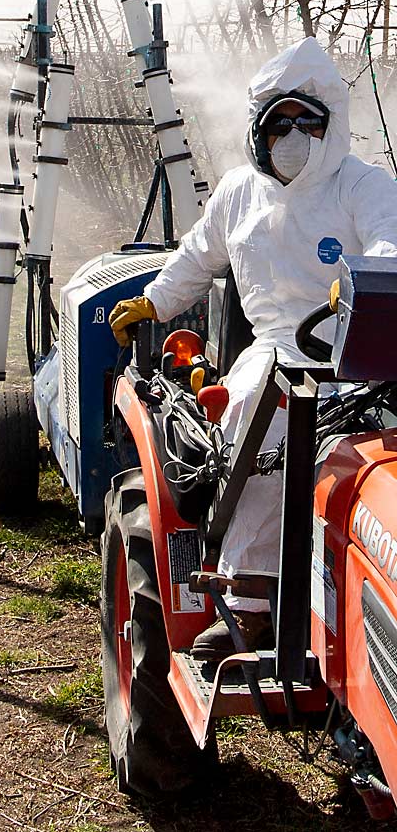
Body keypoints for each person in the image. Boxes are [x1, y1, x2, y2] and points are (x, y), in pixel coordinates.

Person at [108, 38, 397, 661]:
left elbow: (390, 253)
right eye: (279, 122)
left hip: (358, 357)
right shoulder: (239, 192)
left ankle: (350, 606)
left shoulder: (363, 186)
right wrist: (153, 303)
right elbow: (196, 257)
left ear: (331, 126)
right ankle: (253, 601)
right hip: (274, 352)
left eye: (307, 121)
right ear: (258, 130)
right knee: (254, 430)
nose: (292, 135)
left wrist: (368, 310)